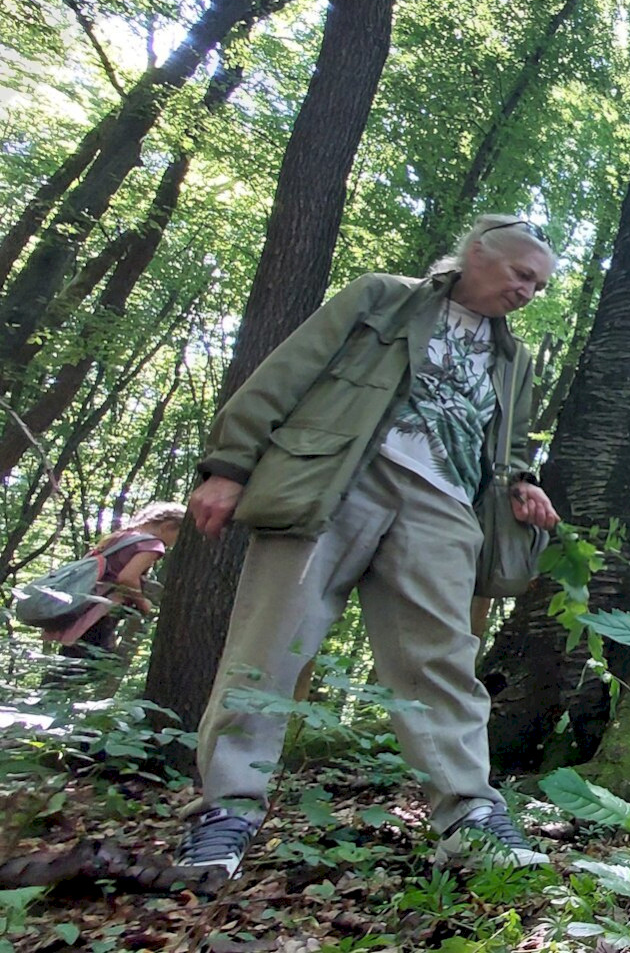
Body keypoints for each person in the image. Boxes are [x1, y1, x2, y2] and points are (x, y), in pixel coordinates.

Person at [176, 215, 561, 880]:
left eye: (539, 285)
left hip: (445, 507)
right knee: (271, 644)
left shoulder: (514, 360)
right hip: (334, 480)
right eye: (520, 274)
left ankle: (469, 815)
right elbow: (289, 371)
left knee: (442, 660)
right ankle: (226, 811)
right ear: (477, 252)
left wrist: (523, 482)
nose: (527, 291)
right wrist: (229, 465)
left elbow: (511, 442)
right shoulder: (381, 297)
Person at [47, 503, 185, 683]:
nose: (173, 544)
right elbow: (127, 578)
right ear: (167, 526)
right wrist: (143, 603)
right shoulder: (152, 545)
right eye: (177, 537)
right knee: (91, 666)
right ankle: (53, 697)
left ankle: (47, 695)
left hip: (83, 607)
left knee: (70, 662)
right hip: (101, 612)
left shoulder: (121, 537)